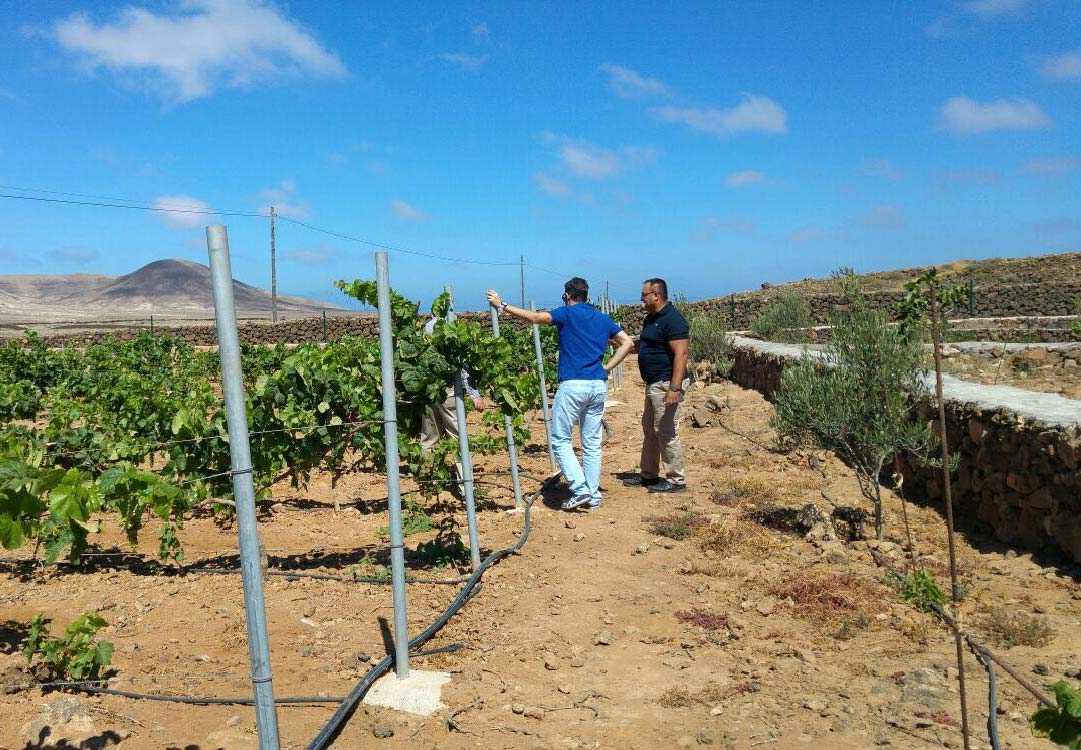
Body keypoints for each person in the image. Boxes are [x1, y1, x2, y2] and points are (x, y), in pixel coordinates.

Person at [487, 279, 633, 510]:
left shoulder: (566, 314)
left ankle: (580, 488)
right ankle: (593, 496)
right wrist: (608, 367)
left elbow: (535, 318)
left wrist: (502, 305)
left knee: (560, 440)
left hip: (573, 384)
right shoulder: (603, 319)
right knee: (592, 442)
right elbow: (627, 343)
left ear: (567, 295)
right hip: (598, 384)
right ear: (586, 296)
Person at [623, 277, 690, 494]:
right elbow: (646, 345)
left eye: (644, 295)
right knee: (649, 429)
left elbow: (681, 354)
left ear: (656, 295)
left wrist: (674, 389)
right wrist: (622, 344)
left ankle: (676, 480)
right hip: (654, 383)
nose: (641, 299)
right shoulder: (651, 319)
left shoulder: (673, 319)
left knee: (666, 431)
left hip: (665, 383)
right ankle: (649, 475)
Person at [420, 315, 489, 493]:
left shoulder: (426, 327)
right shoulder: (452, 326)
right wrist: (474, 394)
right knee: (458, 438)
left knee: (429, 438)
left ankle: (429, 482)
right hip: (449, 390)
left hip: (428, 390)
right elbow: (461, 365)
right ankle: (465, 486)